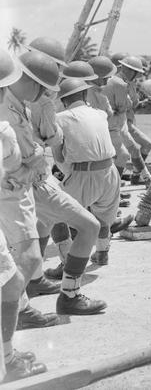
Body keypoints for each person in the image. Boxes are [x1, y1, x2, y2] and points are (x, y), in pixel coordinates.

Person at [0, 50, 62, 330]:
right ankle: (13, 321)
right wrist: (30, 162)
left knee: (21, 259)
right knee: (27, 259)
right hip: (13, 193)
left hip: (21, 190)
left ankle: (20, 310)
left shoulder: (15, 108)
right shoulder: (5, 121)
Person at [0, 49, 48, 381]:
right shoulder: (3, 128)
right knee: (15, 279)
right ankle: (7, 360)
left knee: (16, 278)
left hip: (17, 191)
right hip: (12, 196)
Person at [52, 77, 123, 291]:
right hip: (110, 171)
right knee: (103, 215)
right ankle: (102, 253)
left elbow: (58, 156)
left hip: (83, 173)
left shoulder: (60, 119)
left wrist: (69, 175)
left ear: (63, 101)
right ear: (84, 95)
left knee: (56, 215)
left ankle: (67, 263)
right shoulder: (100, 114)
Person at [104, 55, 150, 185]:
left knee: (133, 149)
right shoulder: (120, 84)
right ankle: (114, 188)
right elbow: (125, 105)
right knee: (122, 155)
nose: (138, 77)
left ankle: (147, 179)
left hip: (120, 123)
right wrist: (130, 99)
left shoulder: (122, 82)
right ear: (131, 71)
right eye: (137, 73)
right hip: (113, 124)